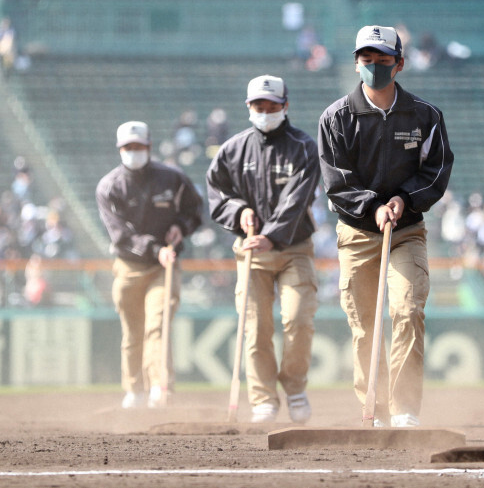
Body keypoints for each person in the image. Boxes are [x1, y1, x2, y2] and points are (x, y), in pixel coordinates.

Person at [317, 25, 454, 427]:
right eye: (367, 59)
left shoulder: (426, 116)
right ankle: (371, 407)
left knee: (408, 311)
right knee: (364, 326)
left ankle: (405, 409)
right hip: (358, 234)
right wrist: (372, 206)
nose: (374, 66)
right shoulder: (336, 117)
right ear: (357, 63)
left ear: (400, 64)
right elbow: (336, 181)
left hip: (406, 231)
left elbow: (437, 171)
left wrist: (404, 199)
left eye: (383, 59)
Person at [206, 75, 320, 423]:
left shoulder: (304, 147)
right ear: (249, 107)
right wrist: (240, 212)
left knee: (298, 320)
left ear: (286, 106)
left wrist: (271, 234)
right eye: (259, 106)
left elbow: (298, 199)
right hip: (250, 252)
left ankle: (295, 387)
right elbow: (217, 192)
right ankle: (263, 399)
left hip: (293, 247)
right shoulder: (232, 149)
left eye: (273, 106)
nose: (266, 112)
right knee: (254, 328)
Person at [96, 121, 203, 409]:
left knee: (157, 325)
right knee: (133, 331)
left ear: (149, 147)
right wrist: (155, 249)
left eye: (139, 147)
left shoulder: (173, 178)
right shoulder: (109, 187)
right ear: (120, 149)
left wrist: (181, 227)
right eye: (128, 148)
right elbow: (120, 235)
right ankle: (134, 389)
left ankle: (159, 387)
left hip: (163, 268)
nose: (134, 152)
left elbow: (195, 210)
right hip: (129, 266)